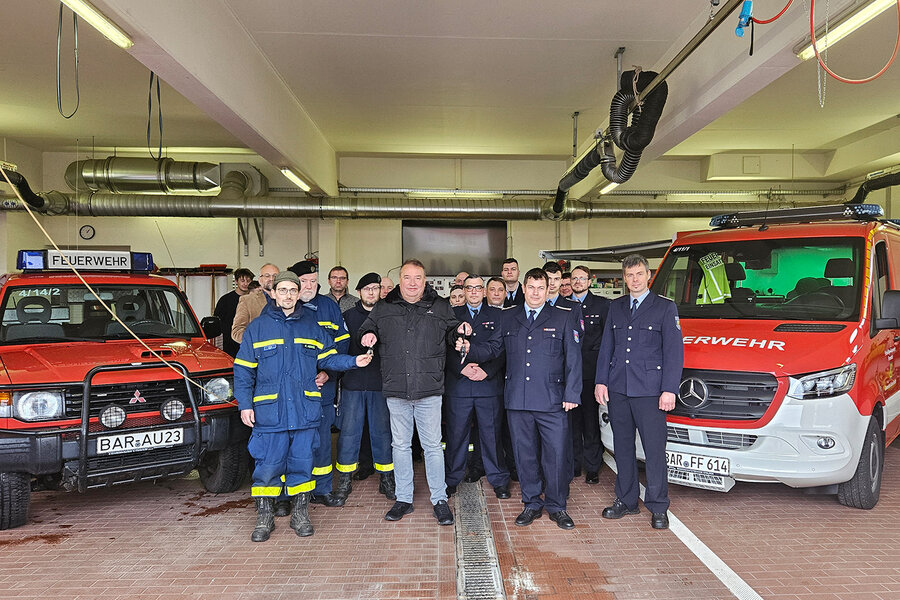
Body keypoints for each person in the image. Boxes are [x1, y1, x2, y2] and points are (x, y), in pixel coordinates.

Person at [234, 270, 371, 542]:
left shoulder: (312, 326)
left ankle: (300, 514)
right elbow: (243, 370)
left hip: (303, 410)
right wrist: (245, 405)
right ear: (273, 293)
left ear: (299, 294)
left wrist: (354, 362)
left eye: (292, 290)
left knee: (302, 463)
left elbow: (329, 358)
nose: (288, 295)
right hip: (270, 412)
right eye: (282, 290)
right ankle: (264, 517)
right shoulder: (258, 328)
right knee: (268, 465)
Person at [465, 268, 582, 530]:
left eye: (541, 288)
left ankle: (557, 506)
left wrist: (572, 393)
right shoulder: (508, 317)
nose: (536, 293)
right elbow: (494, 349)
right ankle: (531, 503)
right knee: (524, 455)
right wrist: (469, 348)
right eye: (531, 287)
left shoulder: (563, 317)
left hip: (553, 400)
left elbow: (573, 358)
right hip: (518, 399)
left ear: (548, 289)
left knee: (555, 455)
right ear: (524, 288)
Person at [359, 259, 463, 526]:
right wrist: (367, 334)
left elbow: (453, 331)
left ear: (425, 281)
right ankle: (403, 498)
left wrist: (461, 334)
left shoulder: (440, 306)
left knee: (432, 447)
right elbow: (367, 326)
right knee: (401, 446)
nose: (413, 283)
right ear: (400, 280)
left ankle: (439, 499)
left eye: (418, 278)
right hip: (397, 387)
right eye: (407, 277)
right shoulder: (384, 307)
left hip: (429, 388)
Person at [594, 254, 684, 530]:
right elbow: (607, 346)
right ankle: (626, 500)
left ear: (648, 275)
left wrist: (669, 389)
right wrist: (601, 381)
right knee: (622, 448)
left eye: (639, 274)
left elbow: (674, 352)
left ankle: (658, 506)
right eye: (629, 275)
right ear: (624, 278)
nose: (634, 280)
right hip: (619, 388)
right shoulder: (616, 307)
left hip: (650, 392)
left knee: (654, 451)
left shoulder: (665, 308)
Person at [288, 261, 352, 508]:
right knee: (292, 440)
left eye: (313, 281)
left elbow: (342, 342)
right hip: (292, 389)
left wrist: (328, 372)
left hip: (323, 386)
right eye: (304, 281)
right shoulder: (281, 308)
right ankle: (290, 493)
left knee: (323, 439)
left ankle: (322, 489)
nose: (309, 286)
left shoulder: (328, 306)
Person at [444, 275, 509, 499]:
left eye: (478, 288)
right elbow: (442, 348)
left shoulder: (499, 316)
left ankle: (499, 480)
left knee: (492, 436)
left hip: (488, 386)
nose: (473, 292)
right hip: (459, 386)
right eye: (469, 288)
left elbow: (503, 349)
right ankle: (451, 479)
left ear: (484, 291)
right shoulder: (451, 314)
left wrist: (487, 371)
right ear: (463, 290)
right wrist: (460, 368)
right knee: (456, 436)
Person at [334, 272, 395, 503]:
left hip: (381, 384)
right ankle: (345, 481)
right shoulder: (347, 316)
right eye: (367, 288)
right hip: (354, 384)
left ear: (380, 291)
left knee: (383, 433)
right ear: (358, 292)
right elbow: (339, 350)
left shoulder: (389, 315)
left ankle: (386, 479)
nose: (371, 292)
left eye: (375, 288)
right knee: (349, 434)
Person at [568, 265, 610, 484]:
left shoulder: (602, 305)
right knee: (572, 423)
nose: (577, 282)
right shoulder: (563, 305)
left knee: (591, 423)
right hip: (569, 376)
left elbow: (608, 341)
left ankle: (592, 467)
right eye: (574, 278)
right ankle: (574, 464)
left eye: (582, 278)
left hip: (591, 374)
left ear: (589, 281)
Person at [232, 263, 279, 344]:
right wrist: (259, 340)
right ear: (260, 280)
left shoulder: (290, 300)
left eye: (275, 276)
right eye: (267, 276)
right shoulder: (247, 300)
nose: (271, 279)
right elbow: (237, 332)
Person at [214, 267, 253, 357]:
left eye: (248, 281)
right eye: (242, 281)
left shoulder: (254, 300)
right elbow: (217, 322)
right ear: (236, 281)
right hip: (230, 344)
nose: (245, 284)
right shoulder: (225, 300)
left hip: (249, 342)